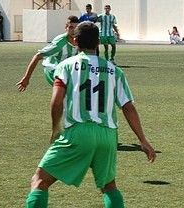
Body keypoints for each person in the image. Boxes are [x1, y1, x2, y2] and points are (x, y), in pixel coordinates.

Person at [24, 21, 157, 208]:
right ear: (99, 42)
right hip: (108, 136)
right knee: (109, 186)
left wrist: (56, 128)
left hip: (78, 132)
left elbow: (56, 102)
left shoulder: (66, 66)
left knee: (39, 180)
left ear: (75, 41)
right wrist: (142, 139)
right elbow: (128, 107)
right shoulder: (115, 71)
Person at [16, 16, 79, 92]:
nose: (74, 30)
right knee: (67, 92)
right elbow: (37, 56)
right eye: (71, 27)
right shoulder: (59, 43)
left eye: (76, 28)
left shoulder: (81, 40)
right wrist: (26, 78)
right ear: (66, 27)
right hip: (53, 70)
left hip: (67, 70)